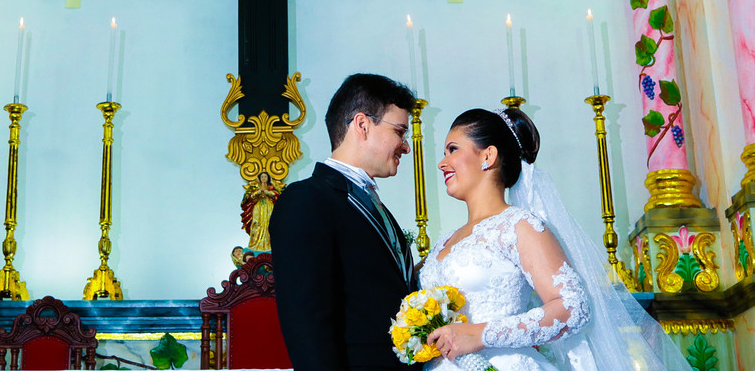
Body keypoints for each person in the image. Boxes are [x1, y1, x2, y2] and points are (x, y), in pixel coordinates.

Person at [421, 107, 691, 371]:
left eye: (453, 149)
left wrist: (482, 334)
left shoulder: (518, 226)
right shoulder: (444, 242)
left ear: (488, 156)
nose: (442, 163)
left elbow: (573, 307)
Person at [271, 73, 417, 371]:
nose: (406, 146)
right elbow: (306, 321)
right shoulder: (306, 200)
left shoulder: (373, 204)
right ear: (362, 124)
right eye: (400, 131)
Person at [240, 170, 280, 253]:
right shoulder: (255, 187)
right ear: (259, 178)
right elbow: (249, 197)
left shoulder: (271, 187)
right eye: (262, 177)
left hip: (268, 207)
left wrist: (268, 193)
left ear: (268, 178)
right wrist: (257, 193)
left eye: (265, 177)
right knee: (256, 224)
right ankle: (255, 245)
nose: (263, 178)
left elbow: (277, 196)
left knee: (269, 224)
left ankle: (269, 245)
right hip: (258, 207)